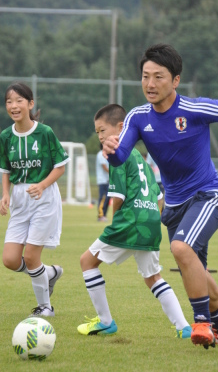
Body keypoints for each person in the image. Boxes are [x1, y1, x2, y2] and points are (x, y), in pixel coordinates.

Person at [102, 44, 218, 349]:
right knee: (196, 269)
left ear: (175, 80)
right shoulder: (138, 117)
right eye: (145, 76)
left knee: (180, 247)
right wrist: (110, 150)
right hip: (174, 207)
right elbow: (120, 155)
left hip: (208, 195)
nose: (150, 84)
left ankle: (201, 322)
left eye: (158, 77)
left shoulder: (193, 110)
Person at [77, 103, 191, 338]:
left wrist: (116, 218)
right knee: (153, 277)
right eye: (97, 132)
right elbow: (159, 196)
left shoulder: (117, 151)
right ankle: (184, 327)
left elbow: (117, 197)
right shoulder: (140, 155)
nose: (100, 137)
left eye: (102, 130)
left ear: (121, 127)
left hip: (130, 220)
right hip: (150, 220)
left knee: (87, 262)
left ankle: (106, 322)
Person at [0, 82, 70, 317]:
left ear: (30, 104)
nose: (13, 105)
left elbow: (60, 167)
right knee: (9, 259)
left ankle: (46, 308)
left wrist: (41, 185)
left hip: (44, 199)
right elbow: (5, 169)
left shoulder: (45, 132)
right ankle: (48, 273)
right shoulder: (5, 136)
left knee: (30, 257)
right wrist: (6, 194)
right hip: (20, 202)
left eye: (19, 100)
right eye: (9, 101)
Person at [96, 144, 109, 221]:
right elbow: (104, 166)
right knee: (103, 198)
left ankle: (104, 215)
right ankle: (101, 215)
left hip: (107, 180)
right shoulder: (101, 154)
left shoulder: (106, 154)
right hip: (102, 180)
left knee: (107, 198)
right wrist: (112, 173)